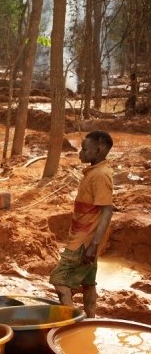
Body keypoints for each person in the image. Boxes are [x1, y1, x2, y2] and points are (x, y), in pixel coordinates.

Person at [49, 130, 114, 318]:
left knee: (59, 281)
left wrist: (93, 245)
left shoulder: (100, 175)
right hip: (86, 239)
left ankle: (72, 325)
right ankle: (90, 320)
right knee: (88, 282)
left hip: (84, 241)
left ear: (99, 150)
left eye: (85, 149)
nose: (80, 153)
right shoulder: (94, 172)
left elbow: (107, 211)